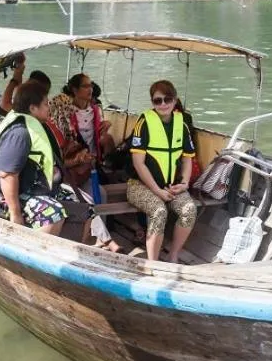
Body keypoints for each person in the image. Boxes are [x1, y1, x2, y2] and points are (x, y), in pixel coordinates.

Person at [127, 80, 199, 262]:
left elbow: (187, 158)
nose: (163, 104)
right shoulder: (144, 122)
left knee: (189, 209)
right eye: (157, 101)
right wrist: (157, 190)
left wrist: (184, 184)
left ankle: (173, 256)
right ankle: (153, 262)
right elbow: (138, 163)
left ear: (175, 101)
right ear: (152, 103)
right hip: (139, 186)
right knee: (159, 211)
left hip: (171, 186)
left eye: (167, 99)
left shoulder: (181, 125)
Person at [0, 81, 68, 235]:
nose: (49, 108)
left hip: (31, 189)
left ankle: (72, 249)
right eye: (46, 104)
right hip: (5, 198)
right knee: (54, 213)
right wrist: (15, 214)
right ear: (32, 108)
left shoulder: (33, 126)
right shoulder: (20, 133)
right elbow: (7, 175)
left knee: (84, 208)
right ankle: (36, 251)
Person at [48, 73, 113, 189]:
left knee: (108, 138)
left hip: (92, 157)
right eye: (86, 86)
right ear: (75, 90)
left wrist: (107, 125)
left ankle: (107, 167)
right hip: (76, 156)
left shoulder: (95, 109)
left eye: (91, 86)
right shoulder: (65, 111)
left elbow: (101, 131)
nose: (90, 89)